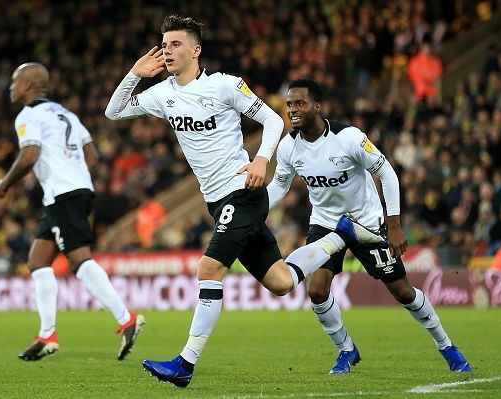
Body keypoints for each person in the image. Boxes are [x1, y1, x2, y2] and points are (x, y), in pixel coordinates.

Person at [105, 15, 379, 387]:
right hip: (215, 201)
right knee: (282, 282)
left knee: (208, 269)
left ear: (195, 50)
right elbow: (114, 111)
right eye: (164, 45)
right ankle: (342, 235)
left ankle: (185, 364)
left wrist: (263, 159)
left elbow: (272, 120)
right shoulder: (161, 94)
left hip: (243, 194)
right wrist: (135, 74)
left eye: (175, 45)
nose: (167, 51)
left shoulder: (224, 86)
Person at [266, 78, 471, 374]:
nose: (293, 110)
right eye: (289, 104)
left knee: (402, 292)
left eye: (300, 103)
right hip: (325, 223)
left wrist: (395, 224)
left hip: (365, 222)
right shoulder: (288, 147)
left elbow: (387, 173)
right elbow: (280, 186)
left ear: (317, 106)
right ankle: (346, 350)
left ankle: (448, 347)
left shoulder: (349, 138)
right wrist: (254, 208)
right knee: (317, 291)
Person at [0, 63, 145, 361]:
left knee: (78, 259)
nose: (10, 87)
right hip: (74, 192)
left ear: (27, 86)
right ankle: (47, 334)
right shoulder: (67, 115)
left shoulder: (29, 115)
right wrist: (73, 174)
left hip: (64, 194)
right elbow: (92, 154)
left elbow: (29, 155)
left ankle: (126, 317)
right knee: (38, 261)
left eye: (14, 82)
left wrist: (4, 183)